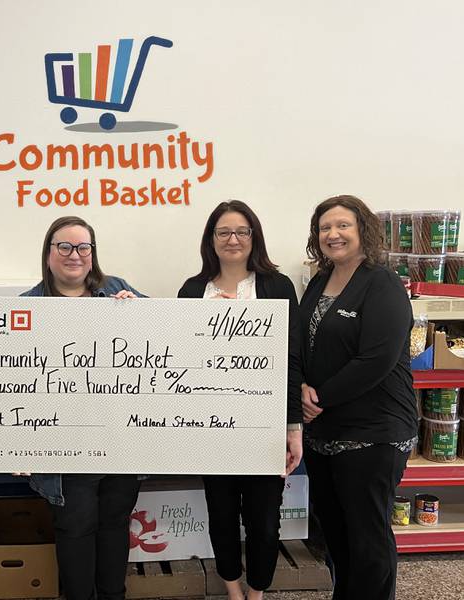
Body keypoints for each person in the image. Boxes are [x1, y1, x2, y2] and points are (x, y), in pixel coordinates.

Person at [177, 200, 303, 600]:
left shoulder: (276, 287)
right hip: (210, 429)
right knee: (222, 516)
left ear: (254, 238)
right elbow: (178, 359)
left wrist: (293, 427)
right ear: (211, 240)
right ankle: (233, 590)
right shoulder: (192, 291)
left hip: (264, 427)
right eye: (223, 232)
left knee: (265, 522)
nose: (233, 240)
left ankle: (257, 592)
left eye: (242, 232)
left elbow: (291, 359)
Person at [299, 195, 417, 600]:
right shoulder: (319, 280)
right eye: (324, 227)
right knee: (336, 532)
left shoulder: (382, 283)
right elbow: (304, 343)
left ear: (363, 230)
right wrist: (301, 387)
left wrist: (320, 398)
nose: (332, 234)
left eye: (342, 225)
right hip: (325, 432)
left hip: (374, 431)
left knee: (368, 538)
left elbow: (376, 359)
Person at [23, 215, 142, 600]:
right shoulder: (26, 307)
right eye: (65, 246)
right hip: (65, 451)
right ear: (49, 252)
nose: (74, 255)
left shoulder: (117, 290)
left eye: (83, 247)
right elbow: (13, 385)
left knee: (114, 526)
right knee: (74, 531)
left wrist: (143, 314)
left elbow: (164, 345)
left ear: (92, 254)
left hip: (120, 444)